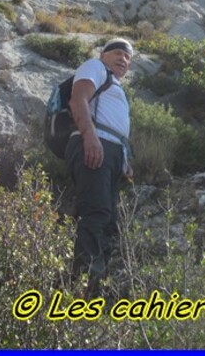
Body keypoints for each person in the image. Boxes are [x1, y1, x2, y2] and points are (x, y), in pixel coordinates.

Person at [67, 37, 134, 299]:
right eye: (117, 52)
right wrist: (89, 135)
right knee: (95, 215)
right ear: (103, 54)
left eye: (127, 57)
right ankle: (84, 292)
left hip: (111, 153)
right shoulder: (94, 67)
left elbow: (114, 125)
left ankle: (97, 286)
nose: (123, 59)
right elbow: (78, 100)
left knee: (107, 222)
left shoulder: (115, 86)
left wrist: (124, 161)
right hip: (94, 145)